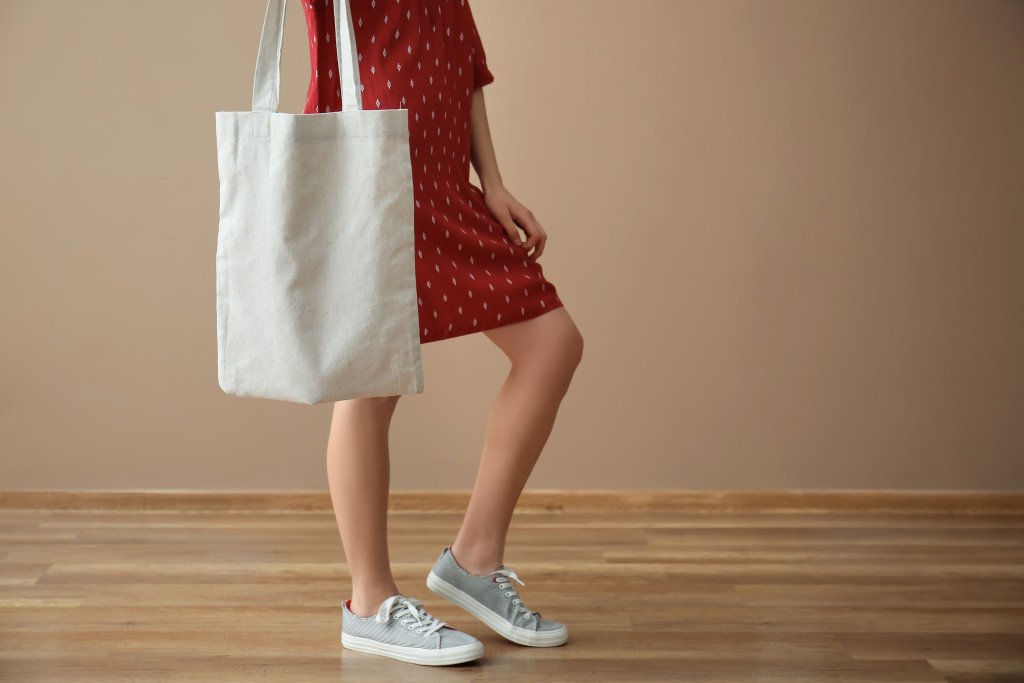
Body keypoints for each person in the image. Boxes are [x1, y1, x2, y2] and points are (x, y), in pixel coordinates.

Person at [302, 0, 584, 666]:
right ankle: (369, 601)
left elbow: (466, 65)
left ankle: (475, 557)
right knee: (370, 384)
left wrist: (491, 181)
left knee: (554, 344)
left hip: (443, 187)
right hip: (369, 183)